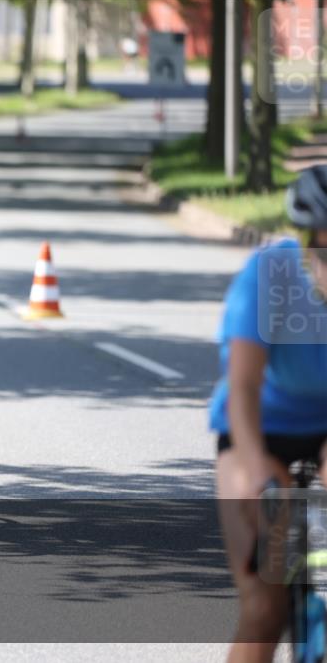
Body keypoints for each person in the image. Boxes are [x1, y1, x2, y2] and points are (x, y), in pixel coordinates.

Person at [213, 165, 327, 662]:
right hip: (258, 431)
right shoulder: (271, 274)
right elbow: (242, 386)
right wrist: (259, 472)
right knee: (266, 604)